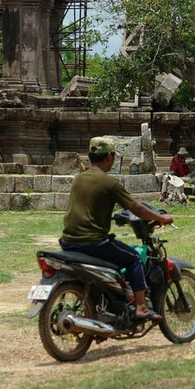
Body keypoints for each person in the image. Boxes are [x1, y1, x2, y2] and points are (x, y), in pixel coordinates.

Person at [60, 136, 174, 322]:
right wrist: (162, 217)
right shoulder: (110, 183)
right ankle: (141, 307)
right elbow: (136, 209)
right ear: (110, 157)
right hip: (93, 243)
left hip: (68, 241)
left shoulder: (78, 179)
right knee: (134, 259)